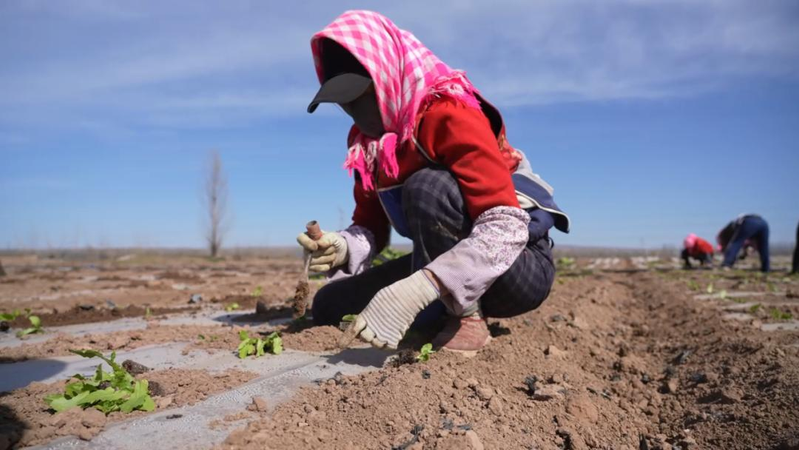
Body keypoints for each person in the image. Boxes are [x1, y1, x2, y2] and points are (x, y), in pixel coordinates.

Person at [296, 11, 569, 354]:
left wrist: (424, 286)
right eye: (342, 101)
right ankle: (436, 308)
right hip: (443, 266)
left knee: (427, 187)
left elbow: (506, 224)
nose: (353, 110)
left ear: (385, 74)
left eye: (358, 95)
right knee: (330, 306)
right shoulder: (370, 146)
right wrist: (344, 246)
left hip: (515, 266)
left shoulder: (446, 112)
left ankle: (465, 317)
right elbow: (370, 226)